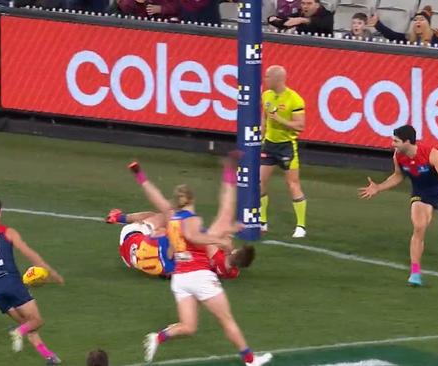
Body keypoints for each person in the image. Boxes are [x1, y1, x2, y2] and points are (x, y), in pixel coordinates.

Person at [132, 155, 272, 366]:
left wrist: (140, 175)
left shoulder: (173, 219)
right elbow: (195, 236)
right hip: (199, 274)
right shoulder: (193, 220)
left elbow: (156, 199)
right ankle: (250, 360)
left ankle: (159, 337)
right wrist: (219, 240)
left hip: (180, 278)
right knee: (226, 320)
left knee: (189, 327)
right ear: (192, 200)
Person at [358, 125, 438, 286]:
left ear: (408, 141)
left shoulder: (431, 153)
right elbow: (398, 176)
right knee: (419, 227)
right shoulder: (398, 156)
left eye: (396, 141)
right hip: (421, 194)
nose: (392, 144)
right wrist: (378, 187)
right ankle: (415, 273)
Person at [0, 198, 64, 364]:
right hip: (12, 284)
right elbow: (29, 253)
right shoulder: (7, 231)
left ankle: (49, 356)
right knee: (36, 321)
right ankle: (18, 332)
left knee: (27, 324)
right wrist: (52, 273)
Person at [106, 208, 254, 279]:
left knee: (161, 216)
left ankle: (118, 217)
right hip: (132, 260)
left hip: (130, 239)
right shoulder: (230, 272)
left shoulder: (205, 247)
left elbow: (206, 238)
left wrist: (222, 238)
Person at [259, 65, 307, 238]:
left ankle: (301, 226)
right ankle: (262, 222)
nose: (264, 80)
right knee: (260, 183)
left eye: (267, 77)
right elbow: (264, 117)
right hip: (269, 145)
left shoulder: (294, 99)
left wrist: (279, 119)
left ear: (277, 79)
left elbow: (300, 126)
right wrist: (262, 133)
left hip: (287, 146)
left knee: (293, 184)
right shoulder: (266, 95)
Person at [367, 6, 438, 47]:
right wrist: (378, 24)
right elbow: (392, 35)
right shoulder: (408, 39)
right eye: (415, 20)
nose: (417, 21)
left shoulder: (435, 38)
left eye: (421, 19)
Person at [268, 0, 334, 36]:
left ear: (317, 5)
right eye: (303, 3)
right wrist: (272, 19)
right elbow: (286, 21)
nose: (305, 6)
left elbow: (324, 25)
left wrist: (304, 20)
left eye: (309, 3)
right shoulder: (299, 13)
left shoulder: (327, 15)